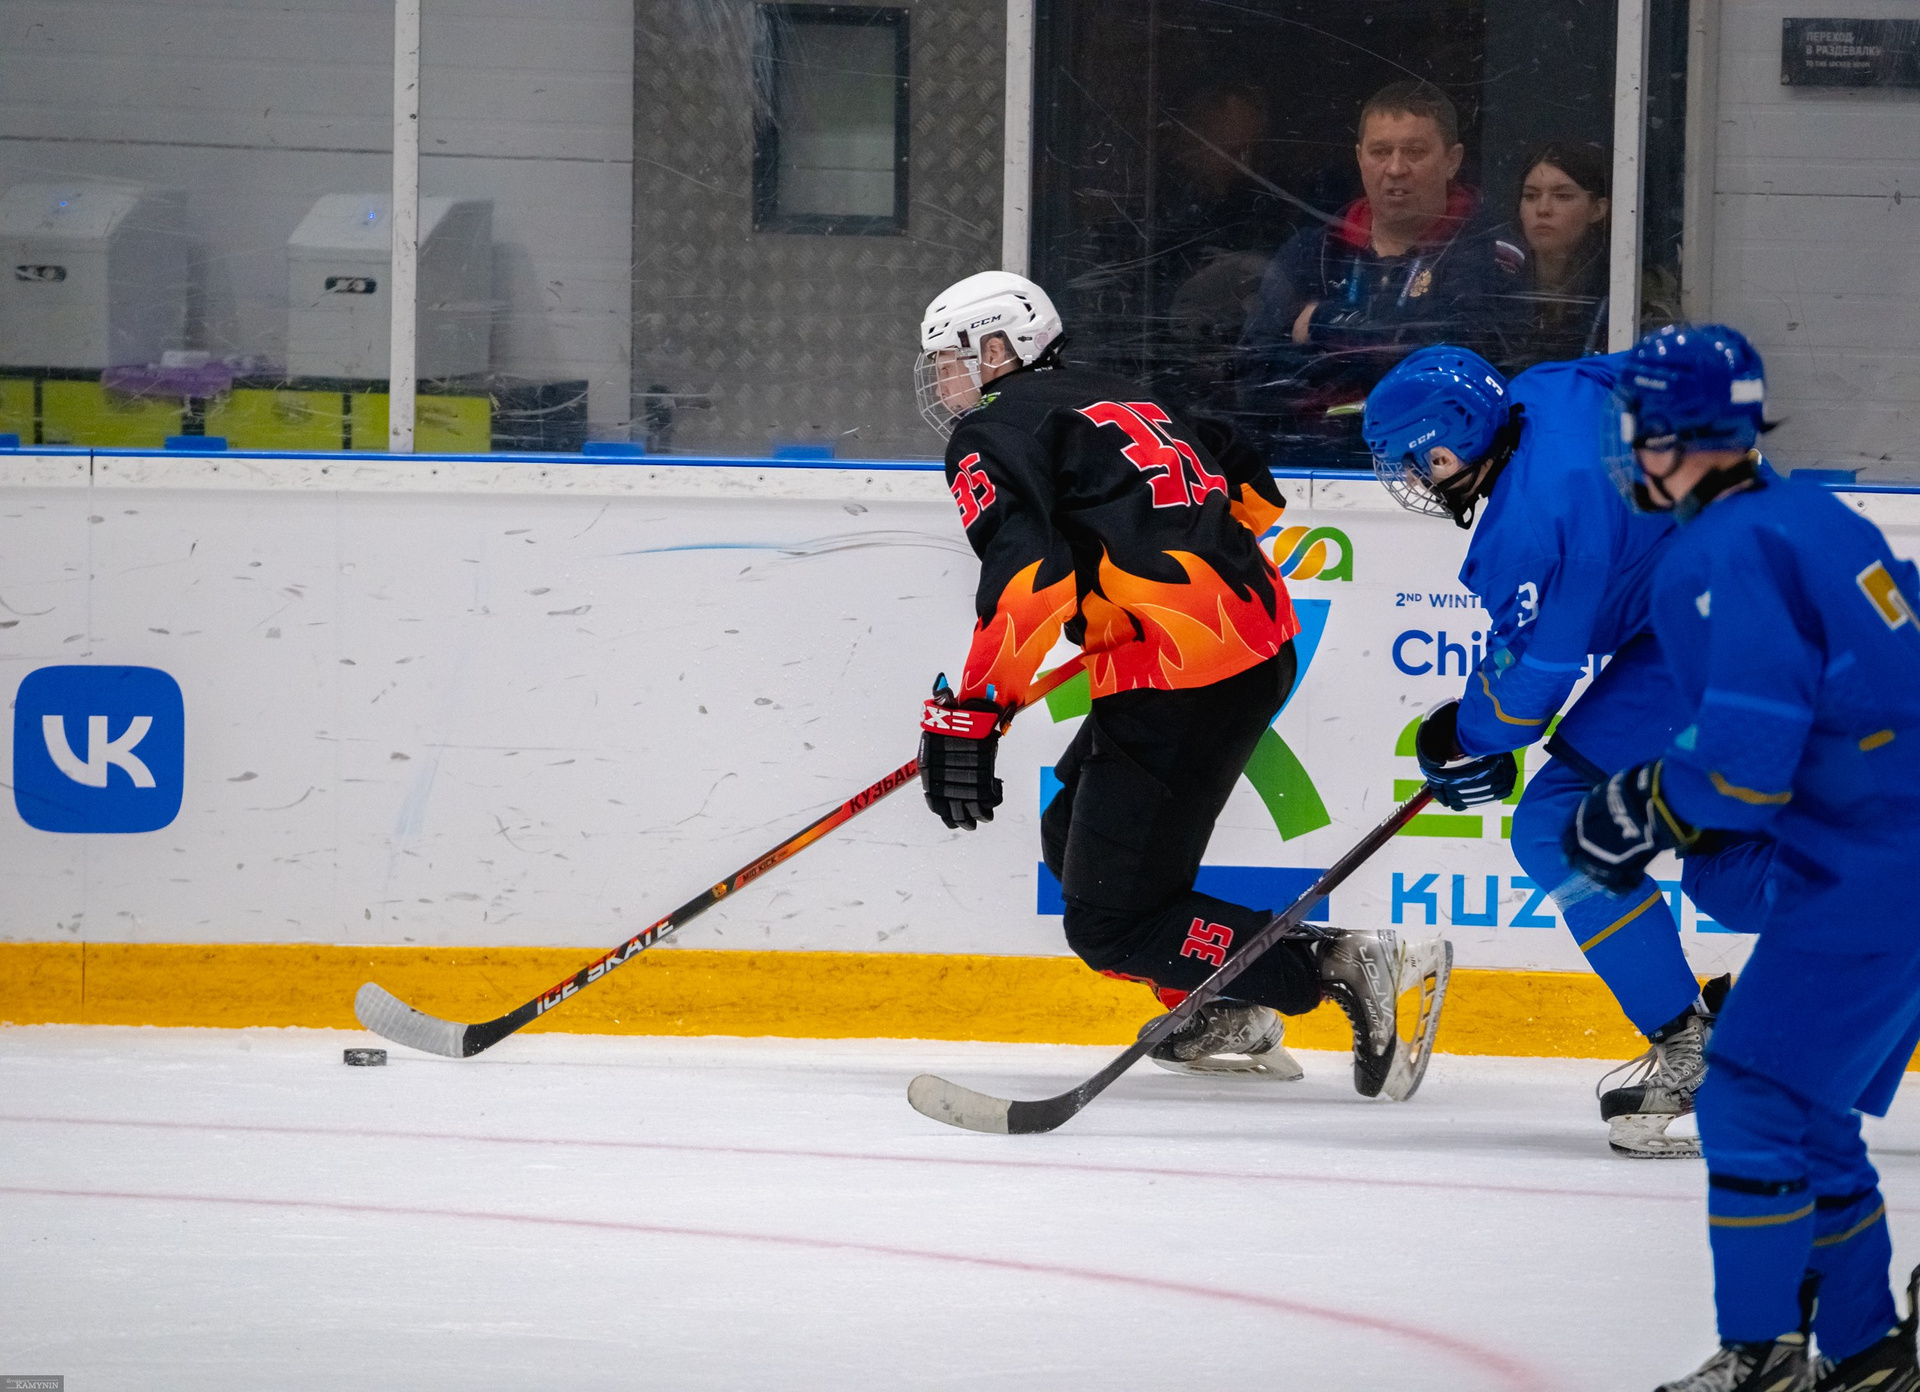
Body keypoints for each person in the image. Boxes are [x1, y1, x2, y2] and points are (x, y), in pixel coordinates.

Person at [912, 268, 1433, 1092]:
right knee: (1073, 838)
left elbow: (1029, 586)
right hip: (1246, 649)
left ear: (1000, 349)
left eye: (950, 359)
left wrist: (977, 708)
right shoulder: (1121, 393)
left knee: (1109, 923)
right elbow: (1251, 488)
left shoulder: (991, 430)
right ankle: (1223, 1003)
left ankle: (1330, 963)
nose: (943, 381)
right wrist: (1146, 583)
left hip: (1180, 677)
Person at [1559, 323, 1920, 1391]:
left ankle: (1764, 1356)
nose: (1627, 446)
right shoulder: (1815, 514)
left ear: (1677, 431)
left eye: (1637, 424)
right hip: (1886, 851)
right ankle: (1865, 1355)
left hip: (1871, 866)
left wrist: (1636, 808)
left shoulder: (1722, 552)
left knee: (1748, 1099)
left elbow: (1746, 767)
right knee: (1803, 1110)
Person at [1362, 341, 1721, 1157]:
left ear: (1449, 447)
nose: (1417, 480)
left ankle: (1699, 1049)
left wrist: (1461, 736)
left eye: (1417, 462)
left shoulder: (1531, 528)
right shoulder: (1550, 385)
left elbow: (1530, 689)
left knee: (1560, 828)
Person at [1237, 81, 1527, 462]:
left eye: (1415, 152)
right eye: (1380, 152)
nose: (1395, 168)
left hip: (1444, 473)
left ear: (1452, 160)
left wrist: (1323, 324)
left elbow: (1459, 360)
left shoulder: (1490, 250)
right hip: (1310, 468)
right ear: (1360, 158)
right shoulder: (1314, 251)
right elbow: (1252, 376)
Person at [1508, 141, 1610, 370]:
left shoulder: (1621, 291)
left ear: (1597, 209)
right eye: (1531, 196)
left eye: (1562, 196)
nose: (1543, 209)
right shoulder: (1497, 282)